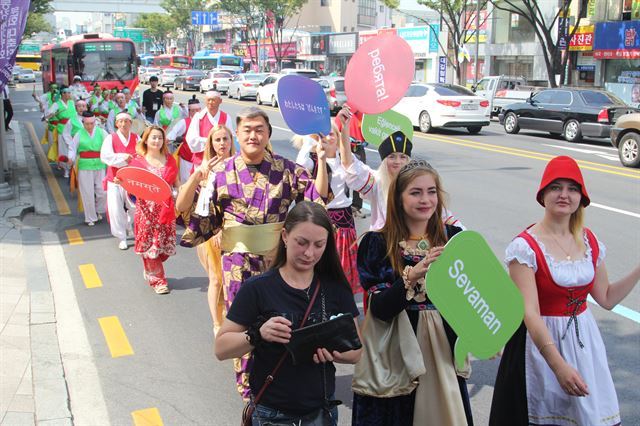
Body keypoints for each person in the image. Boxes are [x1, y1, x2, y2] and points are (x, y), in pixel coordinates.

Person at [177, 106, 329, 400]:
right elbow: (199, 215)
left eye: (259, 129)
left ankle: (281, 372)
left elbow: (316, 199)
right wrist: (197, 178)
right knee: (244, 322)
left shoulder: (288, 170)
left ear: (268, 134)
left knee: (283, 318)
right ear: (238, 134)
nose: (253, 135)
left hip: (278, 262)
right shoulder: (220, 173)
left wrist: (322, 160)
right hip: (237, 262)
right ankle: (248, 385)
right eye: (247, 130)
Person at [489, 156, 640, 426]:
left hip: (584, 347)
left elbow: (606, 298)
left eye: (572, 189)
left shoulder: (589, 241)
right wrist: (558, 366)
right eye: (556, 187)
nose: (564, 195)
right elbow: (530, 314)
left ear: (581, 197)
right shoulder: (525, 248)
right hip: (538, 346)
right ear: (543, 194)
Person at [215, 201, 362, 425]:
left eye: (319, 245)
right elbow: (221, 348)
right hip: (271, 414)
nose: (309, 253)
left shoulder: (335, 288)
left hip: (321, 412)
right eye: (301, 242)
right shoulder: (258, 288)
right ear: (284, 236)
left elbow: (357, 352)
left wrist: (334, 353)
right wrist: (257, 334)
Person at [351, 159, 473, 426]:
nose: (425, 199)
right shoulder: (377, 243)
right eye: (415, 192)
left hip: (443, 351)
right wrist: (412, 275)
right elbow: (380, 310)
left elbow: (471, 299)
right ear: (398, 197)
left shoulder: (454, 238)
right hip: (396, 352)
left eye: (431, 191)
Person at [176, 124, 235, 334]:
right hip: (212, 234)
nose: (222, 143)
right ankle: (217, 323)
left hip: (234, 233)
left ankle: (233, 319)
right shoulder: (204, 170)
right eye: (217, 140)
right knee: (216, 279)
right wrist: (197, 177)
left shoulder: (239, 166)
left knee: (235, 281)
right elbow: (187, 205)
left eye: (225, 139)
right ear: (211, 143)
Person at [294, 111, 361, 294]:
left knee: (343, 268)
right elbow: (299, 166)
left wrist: (344, 128)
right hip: (323, 217)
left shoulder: (344, 159)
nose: (328, 137)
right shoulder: (312, 159)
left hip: (345, 221)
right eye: (324, 134)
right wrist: (312, 139)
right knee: (322, 268)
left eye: (332, 133)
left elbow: (356, 172)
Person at [128, 126, 180, 295]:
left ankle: (150, 268)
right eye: (153, 138)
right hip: (146, 212)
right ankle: (158, 280)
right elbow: (131, 186)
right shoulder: (138, 162)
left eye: (160, 138)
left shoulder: (170, 160)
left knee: (162, 249)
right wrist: (122, 181)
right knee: (151, 246)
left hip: (166, 211)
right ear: (146, 140)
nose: (157, 141)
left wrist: (181, 196)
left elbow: (177, 183)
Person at [100, 112, 139, 250]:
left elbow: (141, 156)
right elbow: (105, 157)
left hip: (132, 180)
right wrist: (124, 159)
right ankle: (121, 236)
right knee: (116, 208)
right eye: (120, 121)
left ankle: (130, 224)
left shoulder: (136, 138)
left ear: (130, 123)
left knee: (135, 207)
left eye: (126, 121)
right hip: (115, 180)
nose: (123, 124)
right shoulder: (111, 138)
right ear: (116, 123)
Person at [67, 112, 108, 226]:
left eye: (91, 123)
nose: (89, 126)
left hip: (99, 165)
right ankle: (90, 217)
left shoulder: (102, 132)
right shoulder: (79, 134)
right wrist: (71, 157)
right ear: (83, 123)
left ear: (95, 122)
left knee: (102, 191)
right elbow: (72, 148)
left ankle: (99, 210)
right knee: (87, 192)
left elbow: (108, 145)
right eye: (86, 124)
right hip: (84, 166)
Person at [185, 90, 235, 168]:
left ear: (220, 101)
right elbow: (191, 139)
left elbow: (231, 138)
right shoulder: (198, 117)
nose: (210, 102)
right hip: (201, 161)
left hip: (222, 161)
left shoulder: (226, 117)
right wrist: (209, 142)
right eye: (208, 100)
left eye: (213, 100)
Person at [334, 103, 367, 218]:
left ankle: (357, 206)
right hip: (345, 148)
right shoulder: (343, 113)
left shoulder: (365, 115)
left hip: (358, 148)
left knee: (360, 176)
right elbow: (335, 130)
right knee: (345, 177)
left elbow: (367, 131)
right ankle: (345, 204)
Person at [168, 95, 201, 184]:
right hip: (187, 158)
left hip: (201, 158)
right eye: (193, 111)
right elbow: (173, 132)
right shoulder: (184, 122)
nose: (196, 113)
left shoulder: (205, 121)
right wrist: (168, 139)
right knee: (186, 181)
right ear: (189, 111)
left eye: (198, 110)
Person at [46, 87, 76, 178]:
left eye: (70, 93)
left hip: (73, 128)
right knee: (64, 149)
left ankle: (73, 168)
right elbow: (48, 114)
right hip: (62, 129)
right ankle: (66, 169)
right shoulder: (57, 104)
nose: (69, 94)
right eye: (67, 93)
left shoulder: (72, 103)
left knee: (73, 148)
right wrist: (51, 115)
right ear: (63, 94)